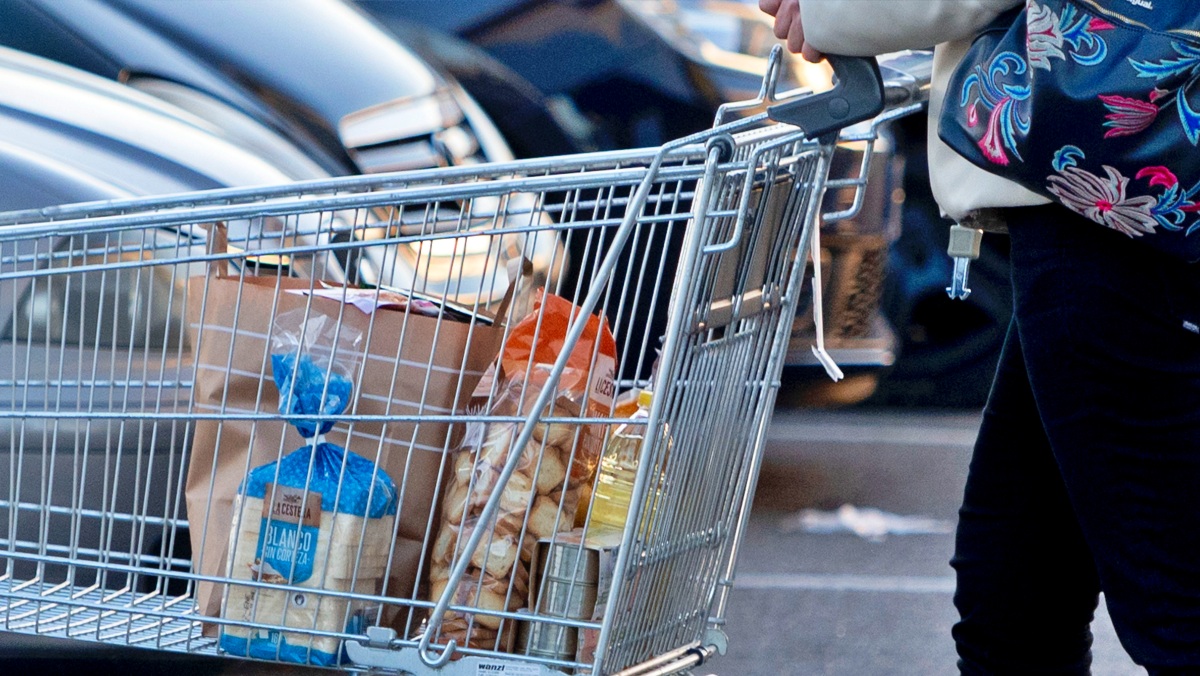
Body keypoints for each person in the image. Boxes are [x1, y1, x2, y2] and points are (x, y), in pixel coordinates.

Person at [759, 1, 1200, 674]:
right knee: (1013, 595)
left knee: (1173, 604)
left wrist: (826, 10)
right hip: (1111, 204)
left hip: (1122, 212)